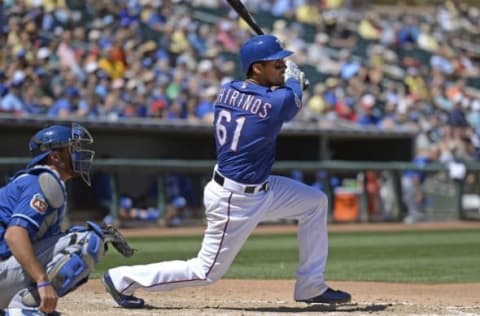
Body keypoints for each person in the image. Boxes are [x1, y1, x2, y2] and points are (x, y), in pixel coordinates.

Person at [102, 34, 351, 309]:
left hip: (260, 186)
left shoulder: (228, 89)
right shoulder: (273, 103)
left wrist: (288, 80)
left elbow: (279, 96)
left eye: (282, 63)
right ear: (257, 68)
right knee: (205, 271)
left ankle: (311, 285)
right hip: (236, 199)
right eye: (276, 63)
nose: (282, 66)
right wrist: (294, 81)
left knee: (315, 203)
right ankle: (122, 278)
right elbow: (289, 100)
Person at [0, 123, 133, 315]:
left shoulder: (42, 180)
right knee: (87, 241)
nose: (79, 154)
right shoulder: (43, 180)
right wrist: (42, 280)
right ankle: (22, 308)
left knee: (79, 236)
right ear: (55, 156)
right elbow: (14, 235)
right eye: (73, 149)